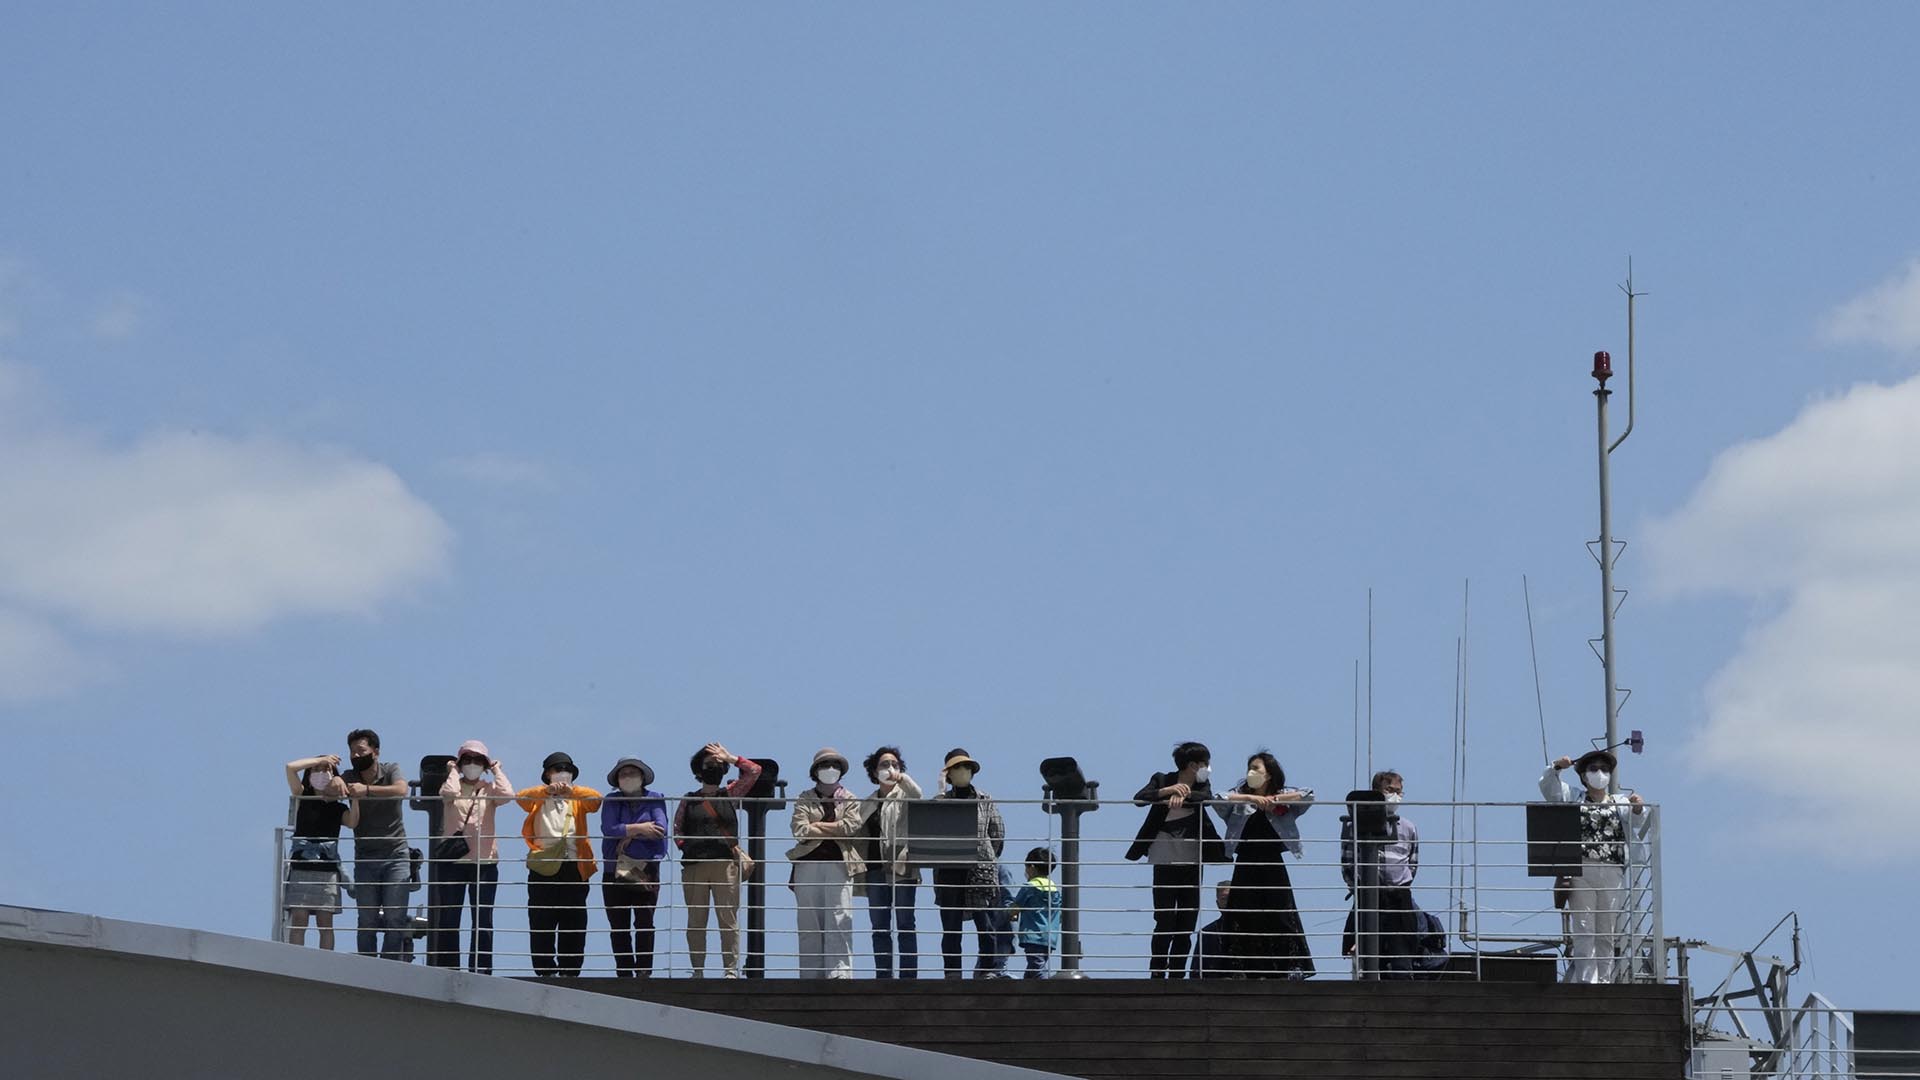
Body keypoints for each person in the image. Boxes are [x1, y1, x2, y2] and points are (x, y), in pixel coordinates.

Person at [1540, 749, 1649, 984]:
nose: (1600, 773)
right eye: (1593, 769)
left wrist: (1639, 807)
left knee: (1606, 928)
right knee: (1584, 926)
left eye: (1604, 769)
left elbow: (1638, 820)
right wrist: (1556, 767)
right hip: (1581, 868)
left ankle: (1604, 980)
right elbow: (1549, 789)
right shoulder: (1574, 796)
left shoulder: (1620, 802)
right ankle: (1587, 980)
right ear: (1583, 775)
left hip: (1612, 869)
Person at [1126, 741, 1229, 977]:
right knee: (1164, 919)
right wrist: (1168, 791)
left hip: (1192, 859)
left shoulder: (1201, 785)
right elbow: (1140, 798)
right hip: (1164, 858)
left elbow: (1205, 798)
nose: (1207, 768)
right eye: (1204, 763)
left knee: (1186, 921)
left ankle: (1177, 973)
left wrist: (1186, 794)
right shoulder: (1162, 778)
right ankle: (1157, 971)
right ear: (1193, 765)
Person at [1218, 751, 1315, 978]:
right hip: (1246, 860)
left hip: (1272, 859)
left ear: (1269, 774)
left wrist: (1275, 801)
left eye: (1256, 768)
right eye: (1249, 768)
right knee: (1243, 912)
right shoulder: (1240, 797)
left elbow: (1309, 794)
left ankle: (1289, 966)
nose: (1251, 772)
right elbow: (1219, 798)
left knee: (1280, 911)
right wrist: (1251, 799)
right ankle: (1241, 969)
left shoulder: (1281, 795)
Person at [672, 743, 762, 978]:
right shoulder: (689, 799)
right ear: (698, 770)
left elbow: (754, 771)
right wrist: (686, 846)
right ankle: (697, 970)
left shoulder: (730, 794)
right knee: (696, 921)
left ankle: (730, 970)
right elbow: (677, 829)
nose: (713, 768)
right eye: (708, 764)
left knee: (727, 919)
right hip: (695, 866)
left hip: (725, 865)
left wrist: (730, 757)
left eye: (718, 765)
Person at [516, 751, 602, 977]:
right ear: (547, 774)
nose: (563, 773)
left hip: (573, 865)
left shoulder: (578, 798)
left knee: (574, 919)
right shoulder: (539, 797)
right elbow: (521, 798)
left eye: (567, 770)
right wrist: (547, 791)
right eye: (558, 769)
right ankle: (545, 969)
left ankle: (570, 970)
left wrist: (572, 791)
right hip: (543, 865)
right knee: (541, 918)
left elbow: (596, 801)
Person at [431, 741, 512, 972]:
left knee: (483, 918)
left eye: (478, 760)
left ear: (484, 764)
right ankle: (448, 969)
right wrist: (453, 771)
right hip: (453, 862)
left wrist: (496, 769)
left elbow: (508, 795)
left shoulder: (489, 789)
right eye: (467, 760)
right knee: (449, 917)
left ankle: (481, 969)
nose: (472, 764)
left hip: (484, 861)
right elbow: (448, 793)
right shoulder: (452, 785)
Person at [787, 747, 867, 979]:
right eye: (824, 765)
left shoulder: (850, 798)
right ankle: (810, 974)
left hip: (840, 864)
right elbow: (800, 830)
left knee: (839, 917)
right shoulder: (805, 798)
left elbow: (850, 828)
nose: (830, 769)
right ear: (815, 771)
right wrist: (834, 828)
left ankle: (840, 972)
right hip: (807, 864)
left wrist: (818, 826)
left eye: (834, 765)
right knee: (809, 920)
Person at [931, 748, 1010, 979]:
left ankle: (987, 969)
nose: (962, 770)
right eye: (956, 767)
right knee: (951, 925)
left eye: (966, 766)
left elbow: (997, 833)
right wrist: (940, 792)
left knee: (985, 922)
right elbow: (930, 828)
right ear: (948, 773)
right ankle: (952, 973)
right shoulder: (942, 801)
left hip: (980, 868)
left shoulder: (985, 799)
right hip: (948, 868)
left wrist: (986, 855)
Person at [1340, 769, 1420, 977]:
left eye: (1399, 792)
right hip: (1368, 894)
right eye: (1389, 790)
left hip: (1398, 896)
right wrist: (1358, 887)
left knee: (1401, 951)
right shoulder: (1354, 825)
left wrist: (1400, 883)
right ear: (1377, 792)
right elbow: (1347, 861)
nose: (1395, 796)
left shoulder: (1408, 827)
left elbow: (1412, 862)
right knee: (1368, 951)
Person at [340, 729, 412, 960]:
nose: (356, 755)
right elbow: (330, 789)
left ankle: (388, 967)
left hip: (396, 855)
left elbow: (401, 790)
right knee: (367, 919)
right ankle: (366, 967)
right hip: (365, 856)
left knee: (395, 917)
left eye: (361, 750)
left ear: (376, 752)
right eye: (352, 752)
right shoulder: (349, 776)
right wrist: (335, 779)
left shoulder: (390, 769)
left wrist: (367, 790)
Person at [857, 746, 923, 979]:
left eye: (894, 764)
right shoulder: (868, 802)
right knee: (879, 926)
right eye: (884, 764)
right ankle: (883, 975)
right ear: (874, 771)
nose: (890, 768)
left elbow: (918, 795)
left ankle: (908, 976)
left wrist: (901, 778)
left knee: (905, 922)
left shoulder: (905, 795)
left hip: (902, 865)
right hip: (875, 868)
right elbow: (854, 828)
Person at [600, 756, 669, 978]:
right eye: (623, 774)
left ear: (642, 777)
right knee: (618, 923)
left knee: (645, 920)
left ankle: (644, 969)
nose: (628, 777)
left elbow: (659, 829)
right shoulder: (611, 800)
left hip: (646, 869)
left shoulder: (655, 798)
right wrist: (640, 828)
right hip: (614, 869)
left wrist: (628, 834)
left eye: (632, 773)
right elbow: (609, 828)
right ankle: (624, 970)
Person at [283, 754, 358, 949]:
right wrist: (319, 760)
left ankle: (326, 960)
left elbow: (352, 822)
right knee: (299, 918)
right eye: (316, 770)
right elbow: (290, 767)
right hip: (301, 867)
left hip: (327, 869)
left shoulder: (338, 807)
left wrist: (353, 798)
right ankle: (297, 958)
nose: (321, 773)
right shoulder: (302, 797)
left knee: (325, 922)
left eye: (326, 770)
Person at [1008, 847, 1061, 979]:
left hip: (1033, 936)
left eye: (1026, 867)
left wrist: (1008, 914)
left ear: (1031, 867)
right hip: (1050, 937)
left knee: (1037, 968)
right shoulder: (1054, 889)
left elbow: (1015, 908)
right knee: (1035, 967)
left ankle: (1049, 988)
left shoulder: (1030, 887)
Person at [1191, 881, 1241, 978]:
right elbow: (1195, 971)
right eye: (1224, 898)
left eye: (1231, 897)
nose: (1228, 902)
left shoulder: (1250, 930)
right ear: (1217, 903)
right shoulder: (1206, 932)